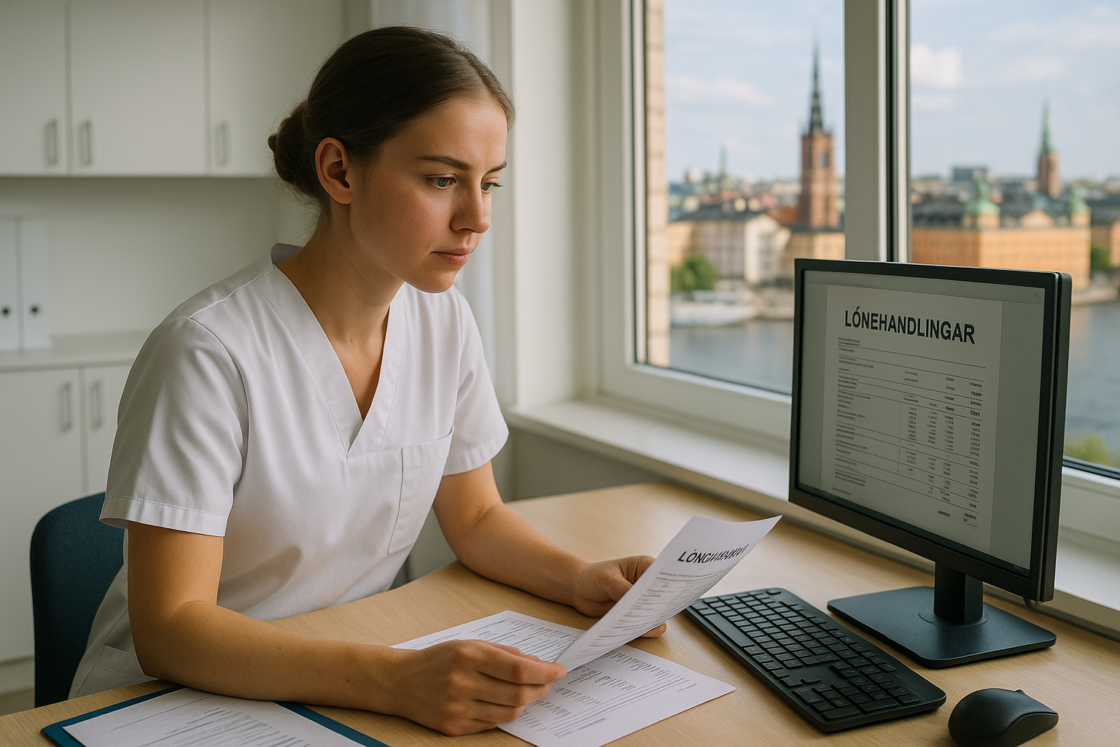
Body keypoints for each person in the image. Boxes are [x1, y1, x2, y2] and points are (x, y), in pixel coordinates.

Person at [70, 26, 663, 736]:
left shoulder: (445, 325)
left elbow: (475, 519)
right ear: (340, 172)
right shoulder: (207, 351)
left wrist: (579, 577)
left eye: (490, 183)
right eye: (442, 179)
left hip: (335, 674)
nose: (476, 218)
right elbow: (170, 627)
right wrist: (395, 678)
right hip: (174, 700)